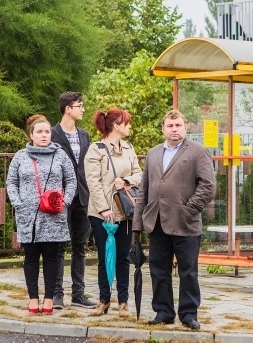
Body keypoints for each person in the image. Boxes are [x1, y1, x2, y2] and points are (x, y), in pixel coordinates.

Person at [132, 110, 215, 330]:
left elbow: (208, 186)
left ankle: (188, 314)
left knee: (188, 271)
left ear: (185, 127)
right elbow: (144, 190)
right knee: (159, 270)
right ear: (163, 129)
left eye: (178, 125)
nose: (174, 129)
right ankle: (163, 311)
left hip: (185, 223)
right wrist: (138, 223)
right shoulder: (153, 153)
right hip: (157, 221)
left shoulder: (198, 152)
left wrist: (189, 209)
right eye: (170, 126)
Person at [6, 115, 77, 314]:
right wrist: (18, 203)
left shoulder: (60, 155)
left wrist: (65, 202)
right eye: (39, 132)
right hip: (28, 215)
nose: (44, 135)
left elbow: (71, 180)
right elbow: (11, 182)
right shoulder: (21, 156)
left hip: (54, 215)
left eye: (47, 132)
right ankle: (33, 298)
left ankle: (48, 299)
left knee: (51, 257)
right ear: (31, 135)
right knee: (30, 256)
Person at [84, 108, 142, 317]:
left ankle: (124, 302)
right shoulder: (96, 149)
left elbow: (139, 173)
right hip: (101, 213)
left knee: (123, 257)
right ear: (116, 126)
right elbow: (93, 181)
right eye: (126, 123)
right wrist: (104, 208)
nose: (129, 127)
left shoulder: (128, 148)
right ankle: (104, 300)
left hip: (124, 210)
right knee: (104, 256)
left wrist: (126, 181)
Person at [49, 92, 97, 310]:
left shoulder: (84, 135)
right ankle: (56, 294)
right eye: (79, 106)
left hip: (83, 196)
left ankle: (78, 293)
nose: (83, 109)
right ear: (67, 109)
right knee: (59, 246)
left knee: (80, 246)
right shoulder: (51, 134)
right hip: (60, 197)